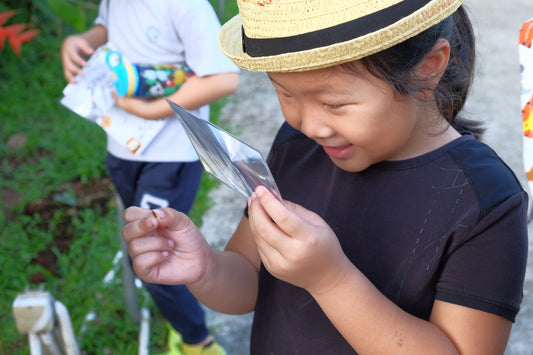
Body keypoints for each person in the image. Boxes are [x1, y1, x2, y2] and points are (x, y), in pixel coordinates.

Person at [121, 0, 529, 353]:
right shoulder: (297, 147)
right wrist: (206, 268)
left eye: (335, 104)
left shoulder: (485, 201)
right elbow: (249, 281)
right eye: (285, 93)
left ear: (427, 70)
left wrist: (330, 280)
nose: (310, 124)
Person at [60, 1, 239, 354]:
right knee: (145, 247)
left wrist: (155, 109)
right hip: (123, 148)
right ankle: (180, 317)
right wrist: (83, 40)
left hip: (169, 156)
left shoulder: (186, 6)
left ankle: (198, 342)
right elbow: (108, 29)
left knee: (152, 253)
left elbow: (224, 77)